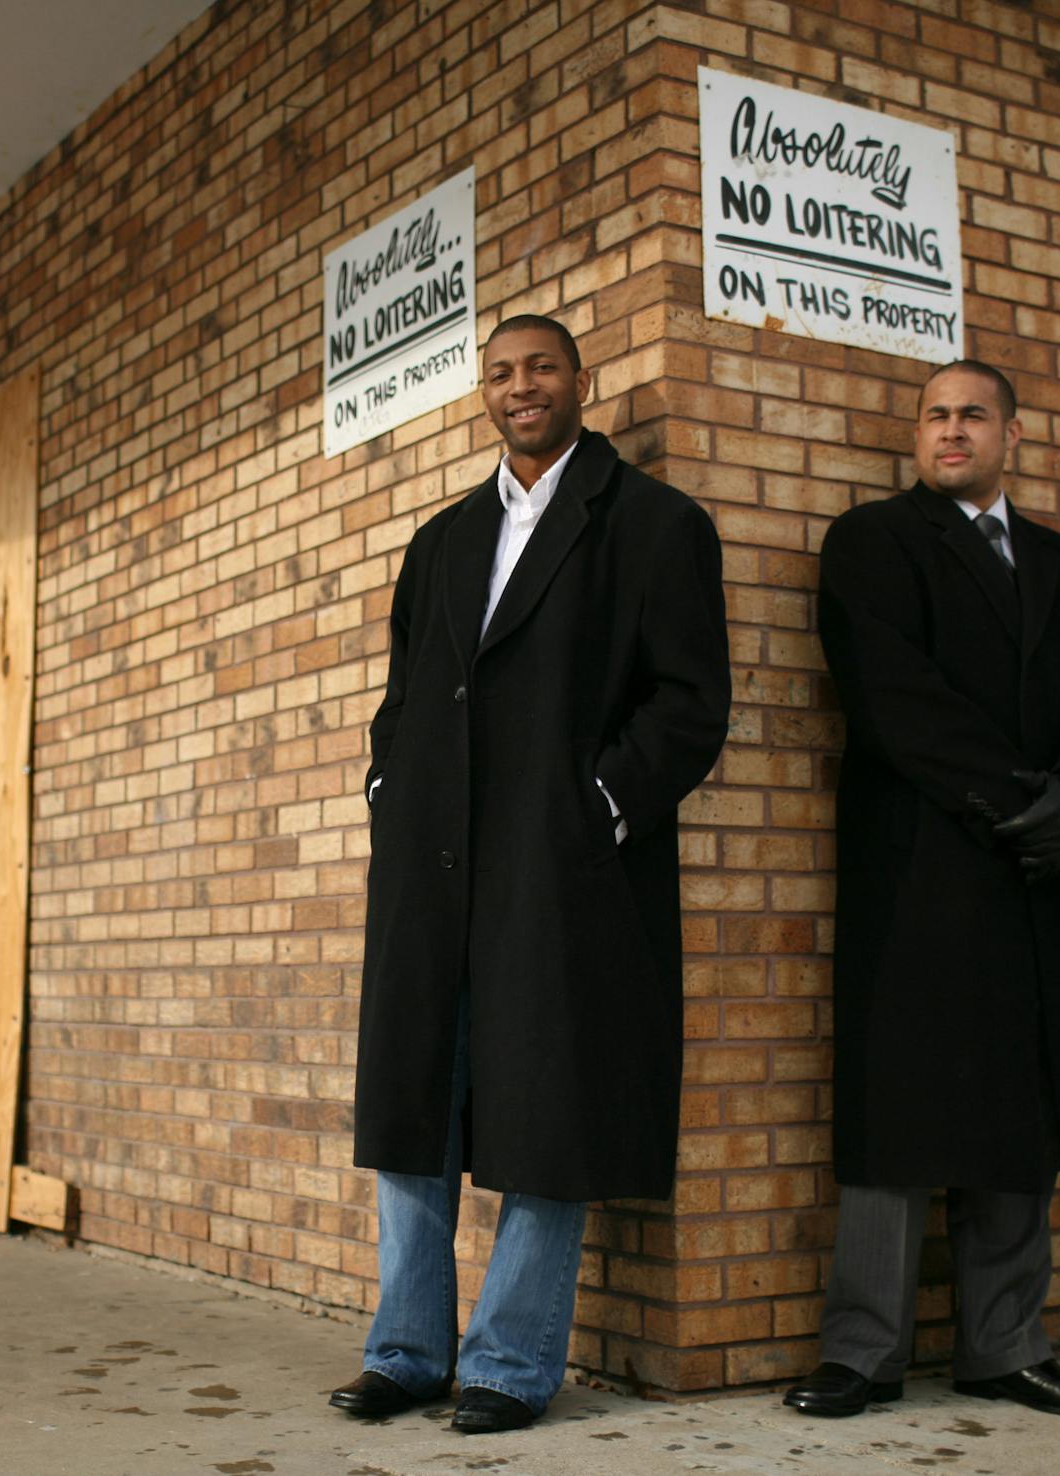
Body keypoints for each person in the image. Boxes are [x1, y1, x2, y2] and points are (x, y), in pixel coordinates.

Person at [329, 315, 730, 1434]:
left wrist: (598, 807)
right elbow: (404, 695)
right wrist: (386, 790)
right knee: (415, 1103)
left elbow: (693, 703)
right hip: (434, 868)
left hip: (560, 876)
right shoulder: (443, 540)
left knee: (548, 1110)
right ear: (483, 391)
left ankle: (507, 1365)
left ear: (579, 382)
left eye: (540, 368)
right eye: (501, 372)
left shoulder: (653, 526)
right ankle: (406, 1352)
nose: (521, 387)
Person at [785, 359, 1060, 1421]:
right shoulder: (873, 543)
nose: (952, 431)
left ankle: (1005, 1344)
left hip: (1045, 873)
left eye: (972, 415)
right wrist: (1017, 801)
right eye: (935, 416)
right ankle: (862, 1353)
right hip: (923, 864)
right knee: (899, 1108)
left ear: (1012, 435)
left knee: (1022, 1109)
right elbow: (894, 698)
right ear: (918, 434)